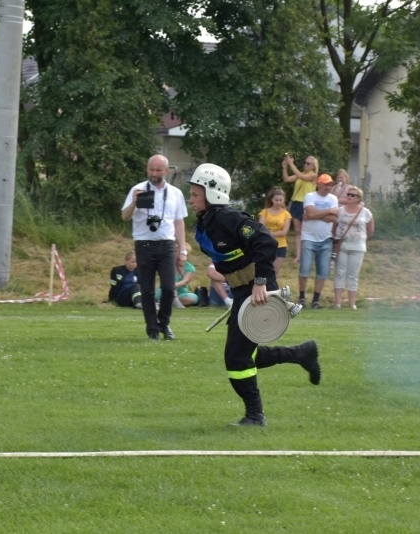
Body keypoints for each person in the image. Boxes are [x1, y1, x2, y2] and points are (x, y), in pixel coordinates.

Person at [189, 163, 321, 427]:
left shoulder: (228, 218)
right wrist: (224, 273)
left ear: (212, 193)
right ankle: (302, 353)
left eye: (194, 194)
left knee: (237, 358)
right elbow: (235, 255)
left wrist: (260, 283)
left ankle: (255, 415)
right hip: (243, 291)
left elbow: (265, 242)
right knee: (243, 354)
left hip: (257, 291)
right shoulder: (207, 221)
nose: (190, 198)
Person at [121, 154, 188, 340]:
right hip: (144, 245)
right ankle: (152, 329)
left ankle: (164, 323)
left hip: (166, 245)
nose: (154, 173)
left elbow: (179, 222)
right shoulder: (138, 189)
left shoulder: (175, 193)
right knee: (147, 289)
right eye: (151, 169)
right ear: (147, 169)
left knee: (168, 288)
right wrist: (134, 202)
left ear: (166, 171)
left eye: (158, 170)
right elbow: (125, 217)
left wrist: (182, 250)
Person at [299, 174, 338, 309]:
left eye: (330, 185)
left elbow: (333, 218)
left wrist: (315, 215)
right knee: (305, 269)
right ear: (319, 184)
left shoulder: (333, 198)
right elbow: (310, 213)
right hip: (308, 238)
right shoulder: (310, 196)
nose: (328, 187)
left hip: (326, 239)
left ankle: (316, 300)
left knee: (322, 272)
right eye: (326, 184)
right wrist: (328, 211)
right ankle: (302, 297)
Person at [333, 187, 375, 310]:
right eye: (349, 194)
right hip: (343, 245)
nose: (350, 196)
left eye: (353, 195)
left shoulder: (365, 212)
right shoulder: (340, 210)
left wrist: (359, 237)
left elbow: (370, 230)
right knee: (340, 272)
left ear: (359, 198)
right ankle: (337, 302)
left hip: (358, 247)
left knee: (353, 274)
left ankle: (352, 303)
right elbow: (335, 226)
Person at [282, 154, 318, 263]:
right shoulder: (300, 174)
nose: (305, 165)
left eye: (308, 163)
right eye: (305, 163)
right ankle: (298, 255)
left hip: (307, 204)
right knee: (298, 231)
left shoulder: (313, 175)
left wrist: (291, 163)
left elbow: (300, 176)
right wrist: (285, 167)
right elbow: (287, 179)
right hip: (297, 202)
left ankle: (308, 254)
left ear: (313, 166)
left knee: (307, 231)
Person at [258, 186, 292, 282]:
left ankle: (272, 291)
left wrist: (269, 234)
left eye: (280, 200)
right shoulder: (264, 213)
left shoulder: (286, 214)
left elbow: (284, 232)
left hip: (280, 245)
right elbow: (261, 228)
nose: (278, 202)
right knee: (264, 270)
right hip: (266, 244)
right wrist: (269, 234)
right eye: (276, 200)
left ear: (284, 200)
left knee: (275, 271)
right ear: (272, 200)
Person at [157, 243, 199, 308]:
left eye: (180, 252)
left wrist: (173, 286)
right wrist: (170, 287)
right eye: (176, 251)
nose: (178, 253)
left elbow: (185, 281)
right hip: (165, 291)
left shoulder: (190, 267)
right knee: (169, 288)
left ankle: (168, 303)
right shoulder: (168, 265)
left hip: (181, 294)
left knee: (193, 298)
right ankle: (173, 302)